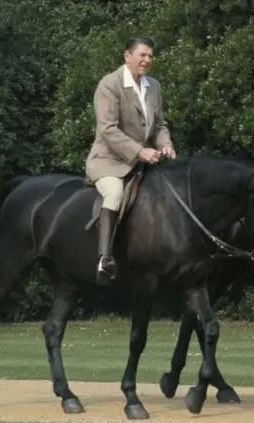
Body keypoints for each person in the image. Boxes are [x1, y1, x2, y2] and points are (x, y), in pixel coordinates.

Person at [85, 36, 176, 282]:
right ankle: (105, 258)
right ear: (127, 56)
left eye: (150, 56)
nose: (147, 60)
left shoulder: (153, 86)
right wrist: (139, 151)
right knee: (114, 193)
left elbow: (159, 125)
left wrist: (165, 143)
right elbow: (108, 129)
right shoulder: (109, 84)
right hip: (108, 160)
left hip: (143, 162)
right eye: (142, 55)